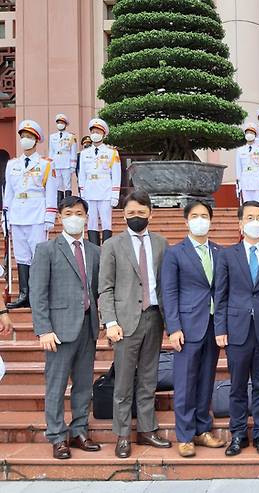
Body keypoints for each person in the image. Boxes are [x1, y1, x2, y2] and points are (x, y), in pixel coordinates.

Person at [99, 190, 172, 458]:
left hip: (154, 317)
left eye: (141, 213)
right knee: (124, 381)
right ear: (123, 215)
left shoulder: (162, 243)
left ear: (150, 213)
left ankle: (147, 429)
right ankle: (122, 435)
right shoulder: (112, 246)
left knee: (149, 378)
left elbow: (166, 284)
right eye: (131, 213)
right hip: (125, 322)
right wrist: (110, 322)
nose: (136, 217)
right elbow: (105, 289)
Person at [29, 196, 102, 459]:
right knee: (56, 385)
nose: (75, 217)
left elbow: (97, 290)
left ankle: (80, 429)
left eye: (79, 213)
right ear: (60, 218)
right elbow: (38, 293)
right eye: (69, 213)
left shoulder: (95, 250)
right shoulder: (46, 249)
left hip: (87, 326)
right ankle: (58, 436)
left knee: (84, 384)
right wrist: (43, 329)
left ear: (86, 218)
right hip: (58, 330)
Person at [215, 201, 259, 457]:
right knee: (238, 385)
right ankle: (238, 434)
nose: (255, 221)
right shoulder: (226, 255)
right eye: (250, 217)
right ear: (240, 224)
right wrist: (220, 328)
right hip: (236, 330)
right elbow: (220, 295)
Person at [161, 200, 226, 458]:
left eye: (205, 215)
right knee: (186, 382)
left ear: (211, 220)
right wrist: (173, 327)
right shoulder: (175, 253)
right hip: (187, 327)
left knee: (206, 381)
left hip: (213, 326)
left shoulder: (220, 252)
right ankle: (185, 436)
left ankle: (202, 430)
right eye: (195, 215)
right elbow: (169, 292)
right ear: (186, 220)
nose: (200, 220)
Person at [3, 120, 58, 309]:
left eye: (29, 137)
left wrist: (50, 216)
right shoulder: (12, 165)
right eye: (23, 137)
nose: (25, 140)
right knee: (21, 256)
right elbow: (8, 192)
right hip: (17, 214)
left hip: (37, 215)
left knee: (38, 256)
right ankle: (24, 294)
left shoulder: (45, 164)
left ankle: (39, 295)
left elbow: (51, 191)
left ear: (36, 140)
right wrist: (5, 216)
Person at [77, 118, 121, 246]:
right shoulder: (85, 153)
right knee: (91, 222)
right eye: (93, 131)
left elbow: (116, 175)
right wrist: (82, 193)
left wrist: (115, 194)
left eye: (98, 131)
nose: (95, 134)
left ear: (103, 134)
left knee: (106, 222)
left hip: (105, 191)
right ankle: (94, 248)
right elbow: (82, 174)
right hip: (90, 191)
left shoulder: (111, 153)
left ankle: (107, 248)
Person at [235, 123, 259, 205]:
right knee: (246, 205)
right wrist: (238, 184)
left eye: (251, 133)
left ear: (255, 135)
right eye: (247, 133)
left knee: (258, 205)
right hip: (245, 181)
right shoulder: (240, 150)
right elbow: (238, 168)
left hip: (258, 181)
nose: (249, 135)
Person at [48, 114, 78, 204]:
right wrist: (51, 164)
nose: (60, 124)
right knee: (58, 185)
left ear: (65, 124)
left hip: (66, 163)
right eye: (58, 122)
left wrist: (73, 165)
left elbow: (73, 151)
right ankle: (59, 203)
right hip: (56, 162)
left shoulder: (71, 136)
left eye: (61, 122)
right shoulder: (52, 136)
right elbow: (51, 151)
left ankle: (67, 203)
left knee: (67, 184)